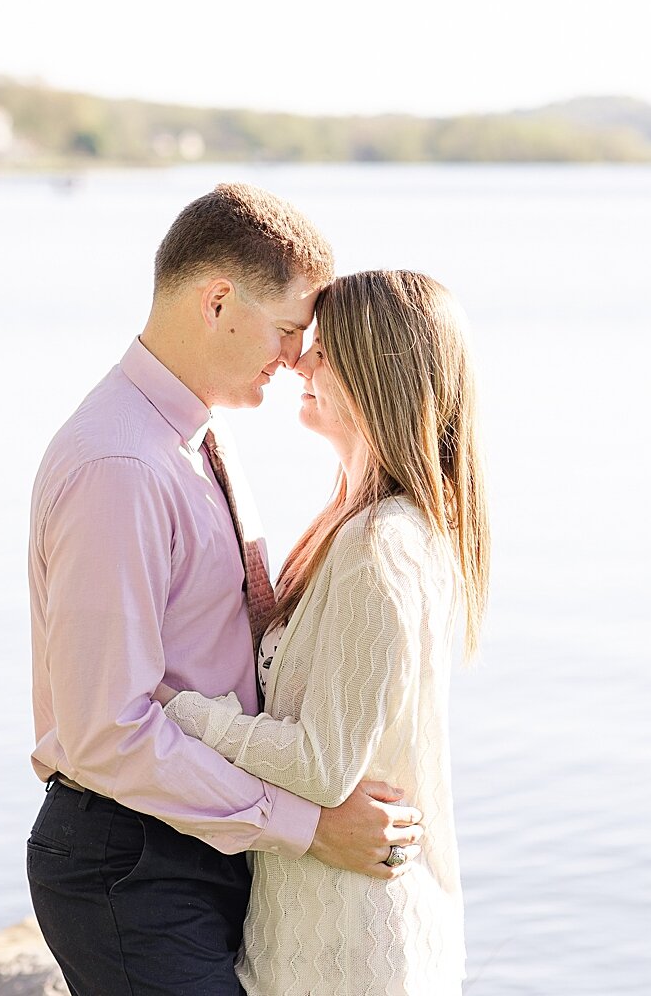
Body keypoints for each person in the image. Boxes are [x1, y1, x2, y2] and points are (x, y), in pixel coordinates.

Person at [25, 185, 426, 996]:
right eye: (287, 329)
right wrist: (309, 829)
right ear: (217, 301)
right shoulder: (122, 468)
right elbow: (107, 734)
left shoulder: (198, 437)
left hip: (191, 838)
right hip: (131, 856)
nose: (295, 358)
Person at [156, 269, 490, 995]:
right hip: (329, 931)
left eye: (327, 352)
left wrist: (177, 710)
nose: (300, 362)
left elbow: (321, 765)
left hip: (355, 949)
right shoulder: (365, 526)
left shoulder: (382, 546)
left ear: (379, 373)